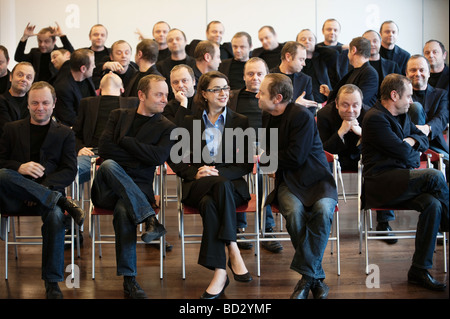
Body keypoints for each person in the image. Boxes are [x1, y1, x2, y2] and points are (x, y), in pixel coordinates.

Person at [169, 71, 253, 299]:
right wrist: (194, 172)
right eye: (216, 89)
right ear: (204, 94)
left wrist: (216, 172)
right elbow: (173, 156)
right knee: (215, 189)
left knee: (211, 202)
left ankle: (219, 272)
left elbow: (246, 163)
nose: (223, 93)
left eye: (226, 88)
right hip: (197, 184)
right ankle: (232, 246)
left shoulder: (240, 121)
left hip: (230, 186)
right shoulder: (189, 121)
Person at [361, 73, 448, 291]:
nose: (411, 101)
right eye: (408, 96)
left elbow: (423, 139)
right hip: (381, 184)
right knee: (434, 175)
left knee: (433, 203)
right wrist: (409, 147)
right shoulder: (375, 118)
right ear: (394, 95)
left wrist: (409, 141)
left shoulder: (403, 115)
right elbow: (409, 157)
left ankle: (419, 269)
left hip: (401, 180)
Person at [91, 74, 175, 299]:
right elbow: (106, 149)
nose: (164, 100)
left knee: (123, 210)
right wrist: (139, 157)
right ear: (141, 95)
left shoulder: (167, 127)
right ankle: (149, 219)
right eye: (159, 94)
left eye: (166, 95)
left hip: (138, 190)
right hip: (107, 187)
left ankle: (129, 280)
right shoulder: (118, 116)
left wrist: (126, 142)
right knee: (108, 164)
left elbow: (157, 157)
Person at [0, 81, 85, 299]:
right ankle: (60, 200)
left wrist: (42, 188)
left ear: (54, 103)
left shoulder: (65, 133)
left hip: (48, 195)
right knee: (3, 174)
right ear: (27, 104)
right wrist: (19, 167)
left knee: (56, 217)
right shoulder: (11, 129)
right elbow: (1, 161)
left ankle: (52, 283)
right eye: (35, 102)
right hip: (17, 196)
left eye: (45, 103)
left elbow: (69, 169)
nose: (40, 107)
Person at [257, 73, 338, 299]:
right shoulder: (267, 116)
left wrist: (264, 157)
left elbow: (295, 157)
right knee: (293, 212)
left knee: (322, 211)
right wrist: (266, 156)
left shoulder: (301, 115)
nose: (257, 95)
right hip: (289, 181)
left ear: (277, 98)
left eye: (261, 92)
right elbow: (271, 153)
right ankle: (316, 278)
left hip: (318, 179)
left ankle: (305, 282)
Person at [228, 57, 282, 253]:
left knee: (260, 178)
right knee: (236, 177)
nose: (255, 78)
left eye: (260, 73)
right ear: (243, 77)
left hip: (267, 148)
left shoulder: (274, 98)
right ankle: (238, 229)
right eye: (250, 74)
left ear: (266, 76)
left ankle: (266, 230)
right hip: (237, 147)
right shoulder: (232, 97)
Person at [72, 72, 139, 184]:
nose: (110, 72)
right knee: (72, 170)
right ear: (100, 88)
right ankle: (69, 200)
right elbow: (75, 133)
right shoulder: (87, 103)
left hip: (121, 154)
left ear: (122, 89)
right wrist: (79, 148)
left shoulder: (132, 102)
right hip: (92, 153)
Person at [405, 54, 449, 178]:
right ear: (406, 74)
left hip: (434, 144)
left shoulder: (441, 94)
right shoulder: (400, 96)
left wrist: (427, 128)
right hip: (408, 144)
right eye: (413, 70)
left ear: (429, 73)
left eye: (421, 70)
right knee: (416, 107)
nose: (417, 73)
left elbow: (443, 117)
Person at [321, 37, 379, 107]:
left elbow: (359, 100)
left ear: (353, 50)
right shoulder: (353, 70)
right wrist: (329, 93)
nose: (347, 55)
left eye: (348, 51)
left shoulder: (370, 73)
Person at [270, 41, 317, 113]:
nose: (304, 64)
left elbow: (312, 109)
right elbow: (269, 107)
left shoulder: (305, 80)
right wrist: (295, 105)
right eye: (301, 59)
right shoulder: (269, 77)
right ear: (288, 57)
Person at [53, 48, 96, 127]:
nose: (94, 66)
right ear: (83, 69)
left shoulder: (86, 75)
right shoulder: (63, 88)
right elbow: (69, 119)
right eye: (93, 64)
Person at [296, 29, 340, 103]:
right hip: (301, 102)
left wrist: (315, 47)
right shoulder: (294, 62)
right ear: (297, 43)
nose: (307, 41)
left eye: (310, 39)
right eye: (303, 39)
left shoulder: (321, 58)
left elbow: (334, 53)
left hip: (322, 102)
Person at [156, 29, 196, 97]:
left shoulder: (195, 64)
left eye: (178, 39)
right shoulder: (160, 66)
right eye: (170, 40)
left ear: (186, 41)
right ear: (167, 44)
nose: (174, 42)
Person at [0, 62, 35, 136]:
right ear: (11, 77)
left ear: (32, 82)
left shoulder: (33, 103)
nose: (24, 79)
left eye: (28, 77)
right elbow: (7, 130)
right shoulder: (1, 101)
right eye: (20, 75)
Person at [86, 24, 110, 89]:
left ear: (106, 37)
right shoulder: (84, 54)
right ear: (90, 37)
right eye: (95, 34)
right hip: (87, 89)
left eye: (102, 35)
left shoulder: (112, 54)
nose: (99, 37)